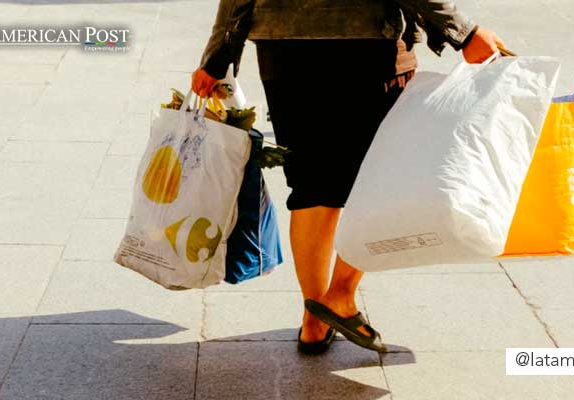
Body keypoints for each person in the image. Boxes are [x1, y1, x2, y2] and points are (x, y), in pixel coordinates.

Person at [193, 0, 504, 354]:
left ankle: (314, 321)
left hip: (285, 48)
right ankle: (339, 295)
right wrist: (464, 32)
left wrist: (217, 58)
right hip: (368, 43)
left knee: (312, 185)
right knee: (379, 178)